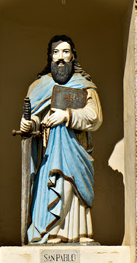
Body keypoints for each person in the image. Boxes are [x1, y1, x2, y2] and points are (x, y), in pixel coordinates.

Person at [19, 35, 102, 244]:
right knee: (53, 185)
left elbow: (95, 116)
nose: (60, 57)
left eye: (65, 52)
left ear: (73, 56)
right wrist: (30, 124)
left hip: (77, 150)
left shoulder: (84, 85)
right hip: (49, 153)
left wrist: (67, 116)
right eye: (56, 52)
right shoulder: (38, 87)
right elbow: (36, 117)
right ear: (49, 57)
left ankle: (78, 233)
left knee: (72, 189)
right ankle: (51, 231)